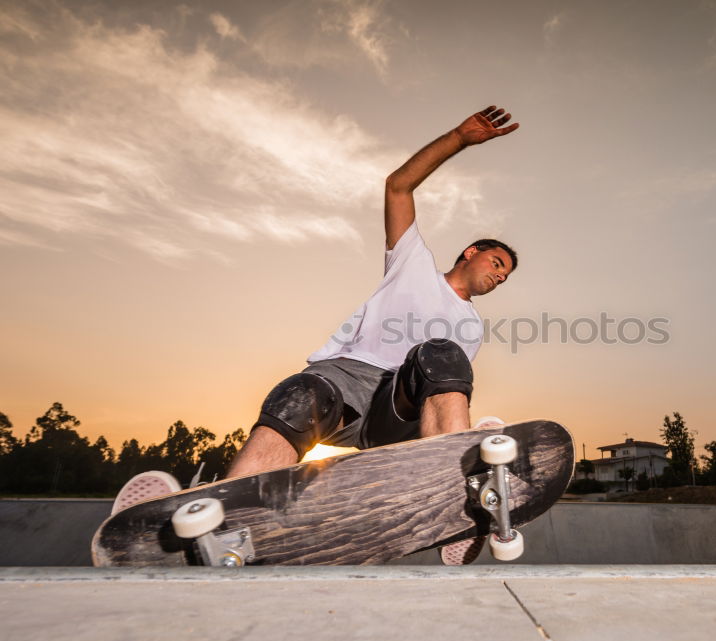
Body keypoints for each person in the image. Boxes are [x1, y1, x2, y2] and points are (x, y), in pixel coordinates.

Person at [113, 105, 521, 563]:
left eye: (505, 276)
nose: (500, 277)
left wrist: (456, 435)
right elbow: (398, 185)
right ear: (472, 252)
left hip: (397, 406)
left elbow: (445, 394)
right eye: (497, 264)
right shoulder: (413, 263)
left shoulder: (470, 326)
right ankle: (222, 519)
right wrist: (459, 139)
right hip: (343, 385)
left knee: (442, 355)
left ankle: (452, 489)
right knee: (300, 394)